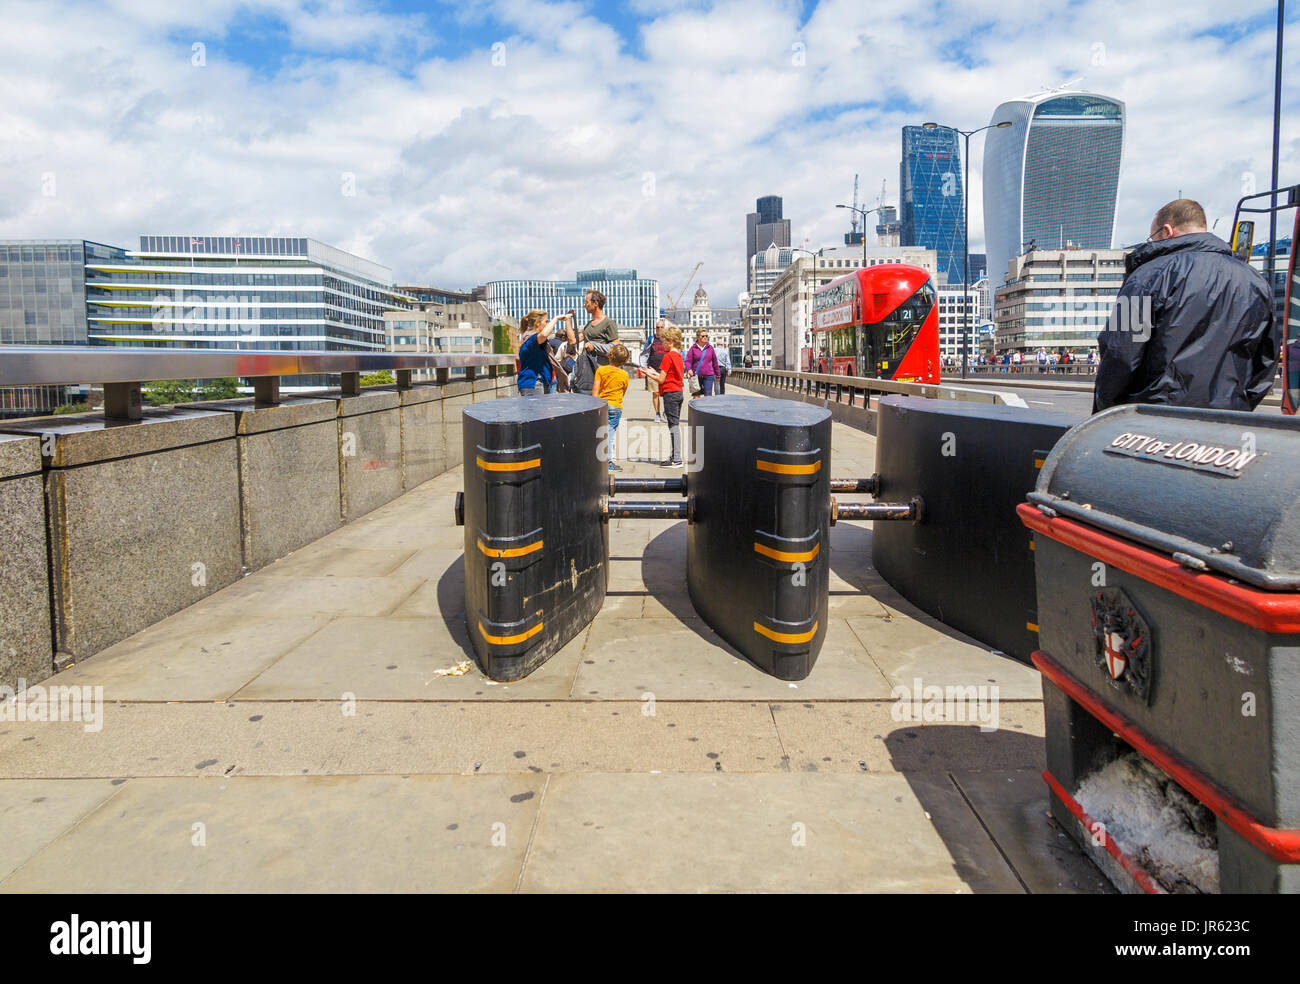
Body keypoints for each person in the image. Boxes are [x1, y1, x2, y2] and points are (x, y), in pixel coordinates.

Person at [1094, 198, 1279, 413]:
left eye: (1152, 237)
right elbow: (1266, 360)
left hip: (1156, 419)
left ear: (1167, 231)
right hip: (1229, 417)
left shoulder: (1144, 277)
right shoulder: (1255, 281)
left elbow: (1121, 353)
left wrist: (1108, 411)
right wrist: (1240, 405)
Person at [644, 326, 684, 467]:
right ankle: (674, 456)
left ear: (671, 341)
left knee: (673, 426)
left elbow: (661, 380)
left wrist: (648, 374)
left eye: (664, 342)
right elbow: (669, 376)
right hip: (678, 392)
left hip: (670, 393)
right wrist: (654, 372)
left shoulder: (668, 356)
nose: (662, 345)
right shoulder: (679, 355)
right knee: (674, 424)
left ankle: (677, 458)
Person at [571, 289, 621, 395]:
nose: (584, 305)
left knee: (598, 405)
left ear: (595, 303)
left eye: (586, 302)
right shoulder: (589, 325)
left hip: (601, 370)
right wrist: (567, 320)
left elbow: (616, 347)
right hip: (586, 370)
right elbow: (573, 340)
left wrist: (594, 345)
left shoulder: (608, 323)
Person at [594, 343, 631, 472]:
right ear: (624, 360)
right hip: (615, 406)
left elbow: (595, 391)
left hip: (602, 405)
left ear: (609, 356)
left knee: (599, 432)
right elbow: (623, 391)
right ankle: (608, 461)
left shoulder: (601, 370)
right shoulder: (625, 374)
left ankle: (599, 457)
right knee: (610, 433)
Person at [516, 310, 557, 396]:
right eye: (546, 321)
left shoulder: (534, 339)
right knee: (535, 409)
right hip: (533, 384)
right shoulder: (531, 339)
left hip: (539, 382)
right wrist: (556, 318)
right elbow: (544, 334)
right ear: (538, 323)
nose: (547, 323)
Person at [641, 320, 669, 421]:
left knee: (666, 394)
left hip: (665, 371)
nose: (659, 329)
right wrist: (644, 367)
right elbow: (645, 352)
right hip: (653, 369)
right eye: (657, 327)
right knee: (655, 393)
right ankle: (657, 414)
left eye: (661, 327)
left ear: (664, 328)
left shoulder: (668, 339)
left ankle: (666, 413)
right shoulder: (651, 339)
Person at [685, 329, 719, 398]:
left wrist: (718, 375)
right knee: (696, 397)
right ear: (698, 337)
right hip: (696, 376)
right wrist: (689, 369)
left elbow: (715, 362)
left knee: (708, 397)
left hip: (709, 375)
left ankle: (707, 409)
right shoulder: (693, 348)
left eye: (706, 336)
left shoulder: (710, 348)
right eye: (703, 336)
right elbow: (688, 361)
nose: (705, 337)